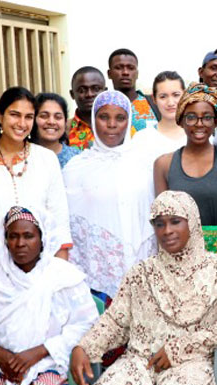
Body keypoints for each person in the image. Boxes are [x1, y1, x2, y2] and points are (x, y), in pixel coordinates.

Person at [70, 191, 217, 385]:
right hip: (138, 363)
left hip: (190, 364)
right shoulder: (142, 273)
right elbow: (115, 321)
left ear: (192, 222)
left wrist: (180, 348)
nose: (167, 231)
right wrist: (84, 346)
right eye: (159, 224)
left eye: (175, 222)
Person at [0, 206, 98, 385]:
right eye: (13, 236)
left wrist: (37, 353)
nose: (20, 243)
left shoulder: (63, 276)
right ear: (5, 241)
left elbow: (87, 325)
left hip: (47, 366)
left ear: (42, 239)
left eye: (28, 236)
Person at [0, 86, 72, 302]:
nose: (22, 124)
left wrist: (61, 278)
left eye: (29, 117)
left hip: (40, 274)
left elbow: (59, 221)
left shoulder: (46, 159)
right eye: (14, 115)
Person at [63, 90, 156, 301]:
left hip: (143, 270)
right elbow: (69, 225)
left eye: (120, 118)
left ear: (129, 121)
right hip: (96, 281)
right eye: (104, 117)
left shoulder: (145, 164)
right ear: (94, 120)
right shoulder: (76, 168)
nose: (112, 124)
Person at [154, 83, 217, 265]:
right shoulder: (163, 164)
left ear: (216, 122)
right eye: (191, 117)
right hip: (180, 260)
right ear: (180, 120)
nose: (199, 124)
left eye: (207, 118)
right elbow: (162, 222)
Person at [107, 48, 158, 135]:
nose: (125, 72)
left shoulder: (154, 104)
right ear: (109, 74)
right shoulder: (102, 107)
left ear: (137, 73)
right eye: (119, 68)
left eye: (131, 68)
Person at [31, 93, 81, 168]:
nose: (51, 122)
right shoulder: (23, 157)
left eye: (58, 117)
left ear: (65, 122)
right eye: (44, 116)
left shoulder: (77, 159)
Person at [68, 66, 106, 150]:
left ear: (105, 92)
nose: (89, 94)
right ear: (72, 94)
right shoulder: (63, 130)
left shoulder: (119, 127)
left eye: (96, 89)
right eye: (82, 90)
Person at [150, 71, 187, 154]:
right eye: (163, 96)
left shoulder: (200, 135)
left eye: (176, 95)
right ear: (154, 99)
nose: (170, 103)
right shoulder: (142, 139)